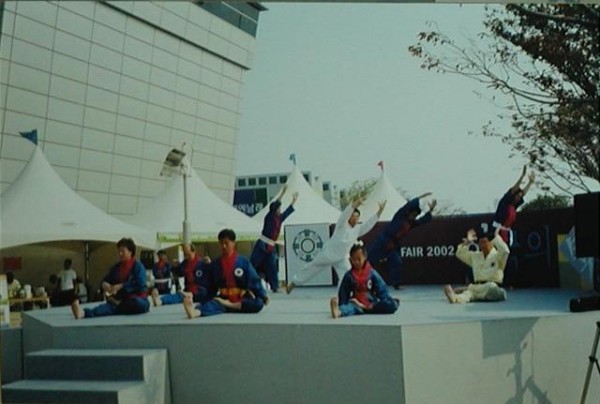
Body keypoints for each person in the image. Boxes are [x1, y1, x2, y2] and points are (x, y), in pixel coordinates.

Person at [286, 197, 386, 293]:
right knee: (312, 267)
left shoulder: (358, 229)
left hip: (342, 258)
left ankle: (341, 296)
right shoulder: (342, 225)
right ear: (349, 216)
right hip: (328, 254)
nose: (355, 219)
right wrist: (355, 204)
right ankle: (294, 282)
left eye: (357, 217)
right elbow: (345, 214)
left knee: (347, 275)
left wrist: (379, 212)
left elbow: (369, 224)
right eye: (353, 216)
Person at [184, 228, 268, 319]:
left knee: (258, 303)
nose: (223, 246)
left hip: (241, 299)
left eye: (226, 243)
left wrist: (263, 295)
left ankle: (230, 305)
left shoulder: (244, 262)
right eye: (221, 243)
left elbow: (254, 281)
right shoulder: (216, 264)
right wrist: (201, 298)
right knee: (209, 305)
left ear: (233, 243)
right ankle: (194, 313)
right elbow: (210, 286)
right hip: (223, 298)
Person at [367, 193, 437, 289]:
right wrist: (420, 197)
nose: (414, 216)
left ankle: (396, 283)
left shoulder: (411, 223)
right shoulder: (400, 215)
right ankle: (363, 281)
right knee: (369, 259)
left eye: (416, 215)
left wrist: (431, 210)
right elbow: (409, 205)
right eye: (413, 214)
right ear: (409, 212)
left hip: (393, 246)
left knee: (397, 261)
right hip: (382, 241)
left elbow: (423, 220)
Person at [71, 238, 149, 319]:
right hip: (120, 299)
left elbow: (140, 283)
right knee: (105, 308)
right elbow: (105, 280)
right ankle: (83, 313)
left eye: (123, 251)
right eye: (119, 251)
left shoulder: (138, 266)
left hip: (136, 298)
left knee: (138, 304)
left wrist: (121, 286)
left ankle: (117, 305)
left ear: (130, 252)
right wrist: (105, 284)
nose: (120, 253)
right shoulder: (116, 267)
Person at [330, 241, 399, 318]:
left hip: (372, 304)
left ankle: (365, 308)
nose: (356, 262)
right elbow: (343, 293)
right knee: (349, 308)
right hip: (356, 304)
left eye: (359, 259)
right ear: (350, 259)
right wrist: (342, 305)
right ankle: (338, 312)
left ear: (365, 257)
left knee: (392, 304)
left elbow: (382, 290)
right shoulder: (349, 276)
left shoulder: (372, 273)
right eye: (354, 260)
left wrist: (386, 301)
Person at [250, 185, 298, 292]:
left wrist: (293, 201)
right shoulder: (269, 216)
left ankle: (274, 286)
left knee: (272, 267)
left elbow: (287, 212)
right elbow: (275, 204)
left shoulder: (279, 218)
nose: (280, 210)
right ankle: (246, 283)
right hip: (262, 244)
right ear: (275, 209)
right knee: (253, 264)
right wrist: (282, 193)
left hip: (271, 246)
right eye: (279, 208)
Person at [443, 227, 510, 304]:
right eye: (480, 243)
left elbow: (505, 251)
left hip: (491, 286)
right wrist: (467, 242)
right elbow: (459, 254)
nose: (482, 245)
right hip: (476, 287)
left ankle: (470, 292)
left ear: (491, 243)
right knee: (468, 294)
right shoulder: (475, 256)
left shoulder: (498, 256)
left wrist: (496, 237)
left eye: (484, 242)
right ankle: (455, 298)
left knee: (491, 289)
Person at [492, 165, 535, 246]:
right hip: (496, 231)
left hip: (506, 233)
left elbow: (523, 193)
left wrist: (530, 182)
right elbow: (514, 189)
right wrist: (522, 176)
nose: (519, 198)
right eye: (518, 196)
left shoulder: (513, 206)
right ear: (513, 195)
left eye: (520, 197)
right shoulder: (505, 201)